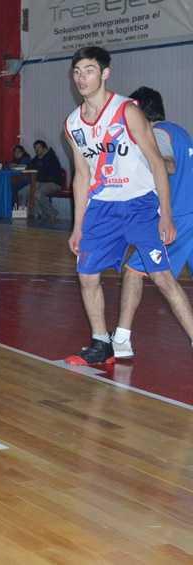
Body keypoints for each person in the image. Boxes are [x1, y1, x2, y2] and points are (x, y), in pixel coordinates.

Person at [64, 46, 193, 366]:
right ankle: (101, 341)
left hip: (139, 206)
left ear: (105, 73)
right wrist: (77, 226)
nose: (82, 78)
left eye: (89, 70)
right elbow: (82, 176)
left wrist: (165, 214)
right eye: (77, 72)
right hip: (101, 208)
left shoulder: (127, 111)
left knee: (162, 277)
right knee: (87, 276)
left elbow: (158, 163)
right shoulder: (73, 123)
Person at [113, 86, 193, 358]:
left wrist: (139, 161)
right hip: (189, 213)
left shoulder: (156, 133)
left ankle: (121, 339)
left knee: (135, 271)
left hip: (179, 218)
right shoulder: (180, 131)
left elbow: (168, 164)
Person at [17, 140, 63, 221]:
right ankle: (23, 214)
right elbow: (29, 167)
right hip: (39, 182)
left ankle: (52, 213)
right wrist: (19, 166)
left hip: (53, 183)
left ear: (45, 148)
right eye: (35, 148)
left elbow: (46, 172)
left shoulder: (51, 157)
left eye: (38, 147)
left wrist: (36, 182)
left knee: (37, 194)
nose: (36, 150)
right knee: (21, 192)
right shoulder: (37, 158)